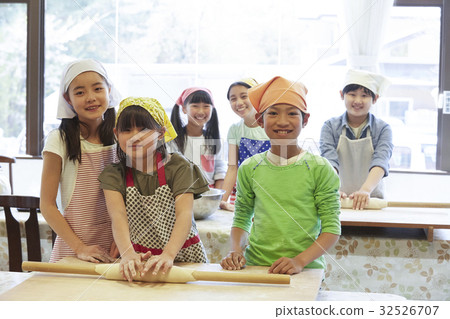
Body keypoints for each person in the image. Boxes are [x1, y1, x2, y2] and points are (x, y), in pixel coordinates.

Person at [220, 76, 341, 275]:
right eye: (273, 113)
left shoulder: (320, 168)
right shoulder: (249, 168)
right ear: (260, 120)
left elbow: (331, 229)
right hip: (256, 267)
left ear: (305, 119)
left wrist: (299, 261)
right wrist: (236, 251)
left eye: (292, 113)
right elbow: (241, 217)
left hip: (305, 271)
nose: (282, 121)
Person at [99, 97, 209, 282]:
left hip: (182, 257)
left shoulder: (179, 167)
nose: (135, 136)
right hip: (140, 259)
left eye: (143, 129)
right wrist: (127, 253)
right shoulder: (114, 174)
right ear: (116, 134)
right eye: (127, 130)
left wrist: (168, 255)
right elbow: (118, 218)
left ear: (160, 133)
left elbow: (184, 215)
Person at [40, 59, 121, 263]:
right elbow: (47, 205)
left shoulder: (123, 136)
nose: (91, 98)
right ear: (68, 99)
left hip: (118, 248)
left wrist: (125, 240)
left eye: (97, 89)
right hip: (74, 250)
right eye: (80, 92)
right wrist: (80, 248)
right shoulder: (59, 140)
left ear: (109, 90)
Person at [319, 69, 393, 210]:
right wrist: (332, 188)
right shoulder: (330, 127)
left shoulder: (383, 129)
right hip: (338, 199)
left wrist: (365, 190)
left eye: (364, 95)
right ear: (342, 95)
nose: (358, 101)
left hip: (371, 199)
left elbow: (380, 161)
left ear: (375, 98)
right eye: (352, 94)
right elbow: (329, 161)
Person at [220, 78, 270, 211]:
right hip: (245, 193)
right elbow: (232, 167)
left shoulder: (270, 125)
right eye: (233, 99)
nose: (239, 103)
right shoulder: (234, 129)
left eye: (244, 96)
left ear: (257, 97)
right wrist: (222, 201)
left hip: (272, 192)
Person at [169, 87, 226, 189]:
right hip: (181, 195)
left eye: (206, 106)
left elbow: (220, 171)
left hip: (209, 198)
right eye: (195, 106)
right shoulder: (173, 141)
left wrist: (216, 198)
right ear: (184, 109)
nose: (201, 111)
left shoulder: (214, 140)